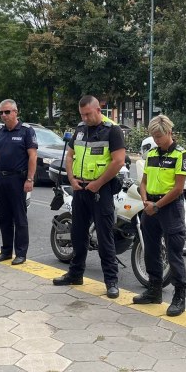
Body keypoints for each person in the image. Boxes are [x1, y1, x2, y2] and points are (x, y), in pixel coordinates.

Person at [53, 95, 126, 299]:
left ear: (98, 110)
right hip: (80, 188)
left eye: (88, 114)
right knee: (78, 234)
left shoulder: (112, 130)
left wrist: (98, 184)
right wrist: (71, 179)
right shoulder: (80, 128)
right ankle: (75, 274)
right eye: (82, 115)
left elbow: (118, 161)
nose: (85, 118)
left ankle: (111, 281)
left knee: (105, 237)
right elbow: (70, 155)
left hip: (99, 190)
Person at [133, 115, 186, 316]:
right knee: (151, 249)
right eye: (153, 136)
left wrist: (156, 205)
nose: (156, 140)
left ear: (169, 132)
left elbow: (178, 188)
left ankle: (179, 296)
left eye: (159, 136)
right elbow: (144, 181)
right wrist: (145, 200)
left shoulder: (181, 155)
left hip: (169, 208)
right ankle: (154, 289)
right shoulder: (152, 154)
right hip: (151, 206)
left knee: (174, 253)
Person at [0, 99, 37, 266]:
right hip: (1, 179)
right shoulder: (0, 132)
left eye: (7, 112)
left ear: (16, 112)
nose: (3, 115)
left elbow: (33, 156)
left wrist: (30, 179)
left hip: (18, 179)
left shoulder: (26, 131)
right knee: (4, 218)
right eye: (1, 112)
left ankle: (21, 253)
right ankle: (6, 251)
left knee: (19, 218)